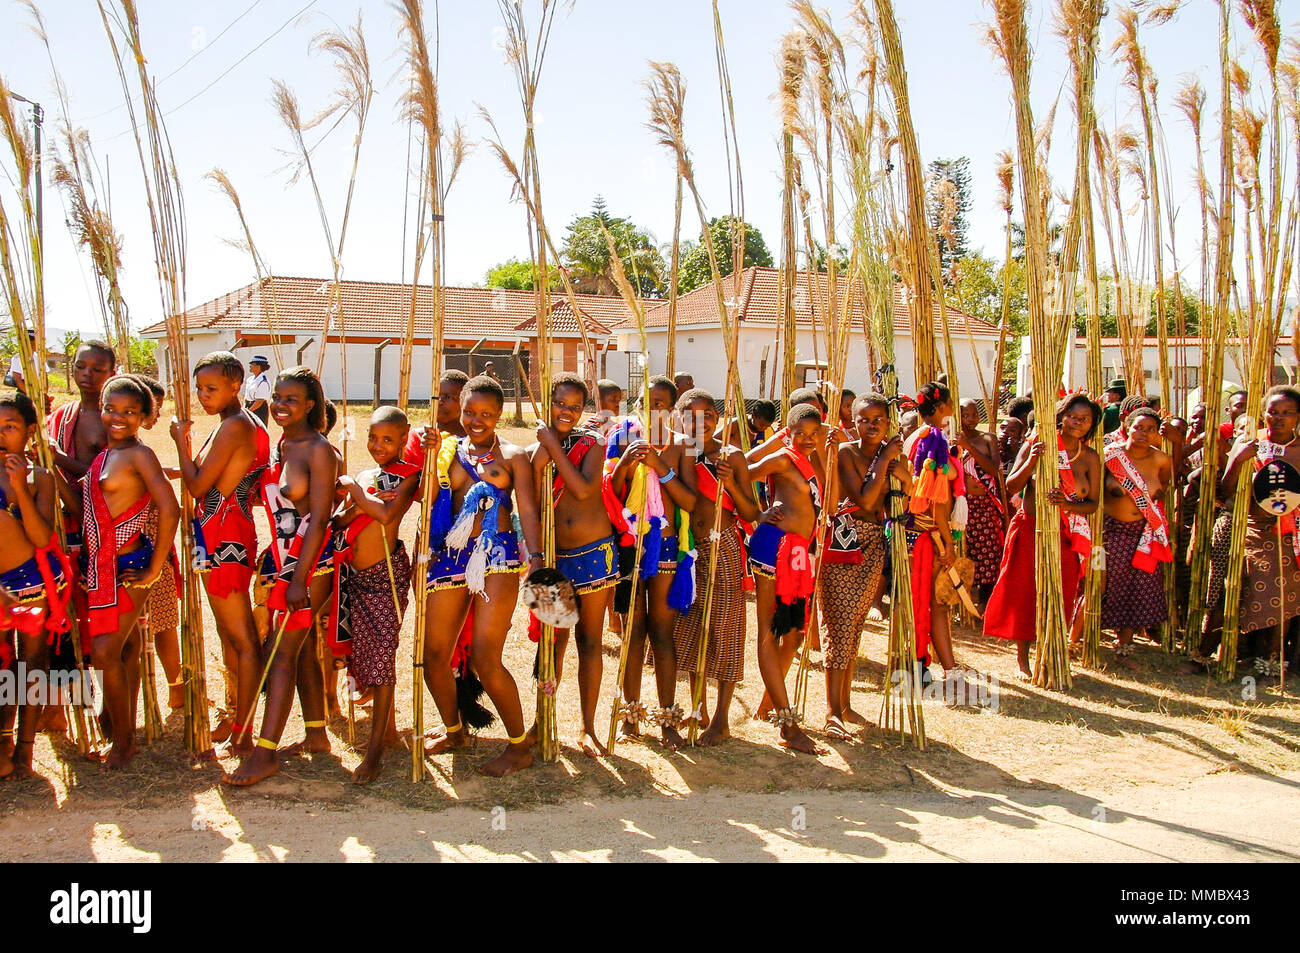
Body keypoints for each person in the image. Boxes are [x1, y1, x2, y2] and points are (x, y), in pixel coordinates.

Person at [421, 375, 545, 777]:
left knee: (485, 657)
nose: (476, 420)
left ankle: (518, 745)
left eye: (486, 414)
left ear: (499, 415)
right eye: (470, 412)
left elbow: (527, 508)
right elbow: (428, 501)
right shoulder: (445, 452)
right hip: (450, 557)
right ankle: (454, 730)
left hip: (496, 558)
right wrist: (428, 457)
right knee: (434, 655)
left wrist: (538, 558)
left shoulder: (512, 456)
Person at [224, 367, 338, 786]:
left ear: (310, 404)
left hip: (310, 562)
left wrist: (298, 580)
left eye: (291, 399)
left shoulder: (318, 450)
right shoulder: (283, 443)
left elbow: (321, 517)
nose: (281, 405)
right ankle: (316, 735)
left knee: (280, 653)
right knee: (301, 651)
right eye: (277, 397)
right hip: (281, 557)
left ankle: (265, 752)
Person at [171, 352, 269, 753]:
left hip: (224, 537)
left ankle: (245, 732)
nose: (202, 396)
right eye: (199, 389)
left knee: (242, 639)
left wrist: (181, 442)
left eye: (211, 389)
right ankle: (234, 717)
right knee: (231, 636)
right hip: (217, 532)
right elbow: (206, 477)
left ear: (236, 386)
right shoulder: (236, 424)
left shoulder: (234, 426)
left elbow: (198, 488)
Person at [82, 376, 180, 769]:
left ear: (144, 416)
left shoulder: (139, 455)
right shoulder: (104, 455)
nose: (118, 417)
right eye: (112, 409)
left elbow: (170, 508)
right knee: (120, 650)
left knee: (104, 652)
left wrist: (155, 569)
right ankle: (122, 735)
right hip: (103, 567)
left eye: (129, 412)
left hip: (130, 566)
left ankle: (123, 744)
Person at [526, 374, 617, 757]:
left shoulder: (592, 443)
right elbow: (531, 499)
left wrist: (552, 446)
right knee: (553, 643)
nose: (567, 412)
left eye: (575, 407)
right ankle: (540, 721)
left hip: (594, 554)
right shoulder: (534, 451)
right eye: (561, 404)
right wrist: (542, 453)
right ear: (549, 403)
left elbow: (583, 489)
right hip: (555, 556)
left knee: (589, 641)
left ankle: (588, 727)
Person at [607, 375, 697, 749]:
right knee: (632, 633)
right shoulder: (624, 440)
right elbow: (610, 495)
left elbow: (690, 503)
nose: (654, 408)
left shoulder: (681, 446)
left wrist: (662, 467)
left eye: (662, 403)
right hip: (631, 546)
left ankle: (668, 717)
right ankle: (630, 715)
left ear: (673, 408)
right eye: (648, 401)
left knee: (661, 634)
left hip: (665, 548)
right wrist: (625, 466)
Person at [333, 406, 421, 783]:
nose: (378, 446)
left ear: (404, 439)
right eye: (373, 438)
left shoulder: (409, 475)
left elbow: (387, 517)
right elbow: (340, 519)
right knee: (363, 650)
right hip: (354, 574)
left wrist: (357, 494)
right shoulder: (367, 475)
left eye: (388, 439)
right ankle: (385, 731)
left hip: (386, 574)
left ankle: (373, 754)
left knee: (383, 656)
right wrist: (358, 501)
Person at [987, 393, 1102, 678]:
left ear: (1091, 424)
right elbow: (1011, 486)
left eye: (1084, 419)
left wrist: (1067, 505)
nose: (1077, 422)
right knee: (1025, 591)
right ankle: (1022, 659)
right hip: (1031, 527)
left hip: (1066, 534)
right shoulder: (1040, 443)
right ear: (1061, 416)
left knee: (1060, 592)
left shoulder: (1089, 458)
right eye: (1073, 416)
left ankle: (1051, 652)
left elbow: (1093, 504)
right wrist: (1034, 459)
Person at [672, 388, 757, 746]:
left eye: (708, 414)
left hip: (723, 550)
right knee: (693, 628)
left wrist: (731, 484)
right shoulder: (678, 452)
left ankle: (721, 719)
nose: (701, 421)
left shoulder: (731, 456)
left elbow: (752, 512)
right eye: (692, 414)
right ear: (679, 417)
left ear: (718, 419)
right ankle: (697, 707)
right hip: (688, 551)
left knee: (724, 632)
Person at [1201, 386, 1300, 671]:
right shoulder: (1250, 443)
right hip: (1247, 529)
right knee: (1228, 593)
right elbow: (1223, 492)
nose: (1279, 418)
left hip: (1286, 534)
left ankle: (1269, 663)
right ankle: (1205, 655)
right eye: (1273, 412)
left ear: (1297, 417)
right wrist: (1238, 460)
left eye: (1287, 413)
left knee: (1280, 603)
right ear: (1263, 413)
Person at [818, 393, 898, 739]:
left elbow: (905, 490)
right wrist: (885, 461)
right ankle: (832, 711)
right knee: (838, 627)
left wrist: (900, 471)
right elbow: (864, 498)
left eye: (878, 419)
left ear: (888, 422)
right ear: (853, 421)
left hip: (874, 543)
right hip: (845, 544)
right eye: (864, 419)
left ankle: (845, 704)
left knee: (854, 627)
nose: (871, 425)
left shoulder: (890, 454)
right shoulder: (847, 453)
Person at [746, 403, 824, 754]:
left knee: (793, 634)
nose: (807, 440)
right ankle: (787, 723)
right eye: (799, 433)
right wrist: (757, 514)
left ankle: (769, 702)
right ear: (786, 432)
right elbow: (740, 470)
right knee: (770, 631)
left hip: (798, 553)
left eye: (813, 434)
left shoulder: (812, 461)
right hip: (773, 548)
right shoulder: (781, 458)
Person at [0, 390, 69, 780]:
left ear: (29, 432)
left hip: (33, 585)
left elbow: (42, 538)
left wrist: (20, 489)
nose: (1, 434)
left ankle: (25, 746)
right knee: (2, 664)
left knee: (31, 665)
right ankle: (3, 741)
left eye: (10, 428)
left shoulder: (40, 477)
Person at [902, 382, 969, 680]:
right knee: (931, 602)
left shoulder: (922, 436)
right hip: (928, 534)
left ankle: (942, 664)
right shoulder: (932, 439)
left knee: (928, 601)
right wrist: (947, 543)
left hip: (920, 533)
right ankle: (926, 665)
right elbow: (935, 498)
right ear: (942, 407)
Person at [1100, 407, 1174, 664]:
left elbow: (1162, 490)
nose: (1143, 433)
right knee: (1106, 583)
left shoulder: (1162, 460)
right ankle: (1086, 636)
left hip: (1143, 532)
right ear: (1128, 427)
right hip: (1111, 531)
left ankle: (1126, 642)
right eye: (1139, 427)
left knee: (1137, 587)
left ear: (1157, 435)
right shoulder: (1110, 456)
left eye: (1150, 429)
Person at [132, 375, 184, 713]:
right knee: (152, 625)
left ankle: (176, 687)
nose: (158, 414)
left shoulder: (136, 447)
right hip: (142, 545)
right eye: (155, 407)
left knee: (164, 620)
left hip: (154, 545)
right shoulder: (128, 446)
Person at [957, 397, 1006, 607]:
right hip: (961, 506)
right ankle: (965, 602)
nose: (971, 419)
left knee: (988, 552)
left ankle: (987, 604)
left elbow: (994, 470)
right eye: (965, 415)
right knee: (966, 551)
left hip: (984, 505)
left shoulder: (988, 439)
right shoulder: (950, 440)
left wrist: (968, 447)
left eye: (974, 414)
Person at [404, 369, 468, 465]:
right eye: (435, 396)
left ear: (464, 402)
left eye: (447, 396)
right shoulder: (417, 438)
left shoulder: (470, 442)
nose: (439, 401)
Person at [242, 356, 272, 427]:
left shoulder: (263, 381)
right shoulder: (250, 379)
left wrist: (248, 412)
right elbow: (246, 397)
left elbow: (259, 401)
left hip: (258, 409)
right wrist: (244, 408)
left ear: (258, 367)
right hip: (249, 407)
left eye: (252, 364)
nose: (250, 366)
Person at [7, 329, 36, 395]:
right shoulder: (17, 358)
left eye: (34, 342)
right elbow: (18, 380)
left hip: (39, 390)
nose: (33, 344)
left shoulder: (38, 357)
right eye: (30, 342)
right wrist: (31, 395)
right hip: (24, 391)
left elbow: (45, 377)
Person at [997, 415, 1026, 479]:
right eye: (1002, 427)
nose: (1005, 431)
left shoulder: (1021, 452)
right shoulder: (992, 447)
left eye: (1012, 430)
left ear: (1019, 437)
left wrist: (1015, 451)